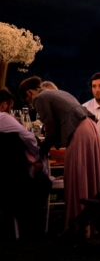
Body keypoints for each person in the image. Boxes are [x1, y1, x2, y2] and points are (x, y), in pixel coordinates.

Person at [20, 77, 100, 232]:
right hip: (91, 128)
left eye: (26, 100)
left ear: (28, 93)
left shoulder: (40, 98)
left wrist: (39, 152)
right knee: (89, 176)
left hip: (79, 132)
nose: (30, 104)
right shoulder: (58, 93)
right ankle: (93, 226)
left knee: (75, 177)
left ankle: (77, 227)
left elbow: (50, 131)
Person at [0, 88, 50, 237]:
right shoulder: (3, 117)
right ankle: (31, 223)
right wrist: (39, 154)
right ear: (4, 105)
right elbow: (28, 137)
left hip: (4, 175)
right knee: (44, 181)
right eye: (9, 107)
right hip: (13, 178)